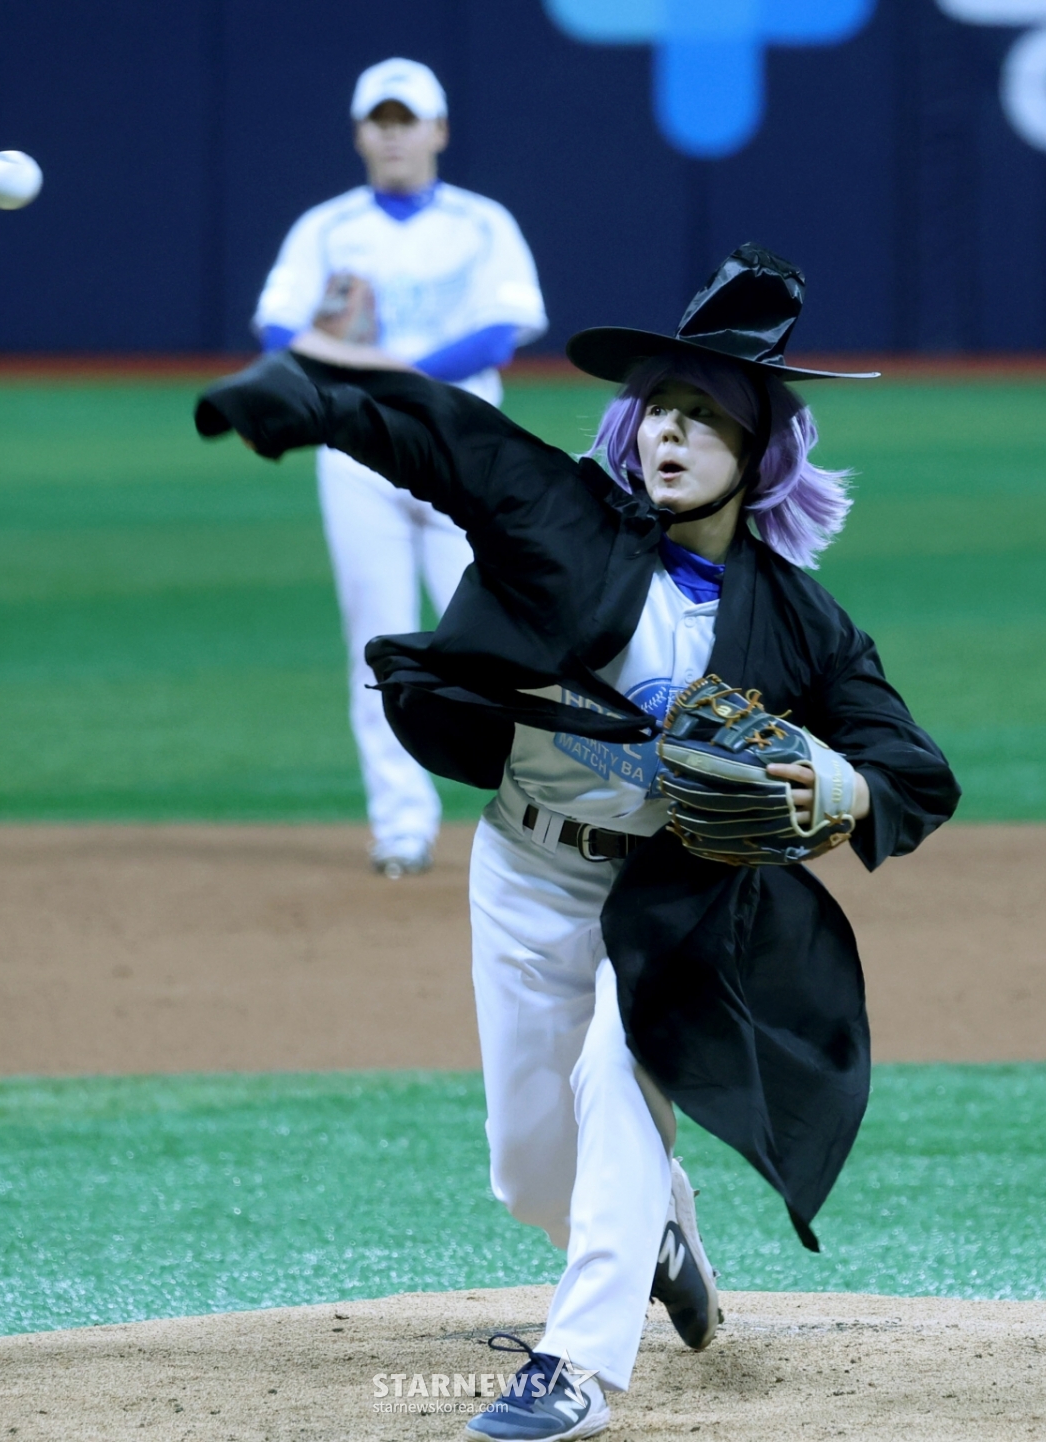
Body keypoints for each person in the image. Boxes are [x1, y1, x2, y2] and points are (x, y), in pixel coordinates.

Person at [197, 244, 960, 1439]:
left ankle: (578, 1370)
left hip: (673, 899)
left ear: (759, 452)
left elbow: (914, 769)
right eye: (660, 407)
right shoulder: (565, 518)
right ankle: (658, 1228)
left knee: (622, 1069)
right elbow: (445, 439)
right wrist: (307, 397)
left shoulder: (799, 620)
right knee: (526, 1168)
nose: (672, 431)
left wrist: (838, 782)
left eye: (708, 416)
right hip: (526, 870)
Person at [254, 57, 547, 877]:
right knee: (376, 643)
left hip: (466, 458)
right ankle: (401, 827)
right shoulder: (326, 229)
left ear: (438, 130)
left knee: (500, 644)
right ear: (359, 134)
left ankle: (531, 815)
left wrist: (384, 369)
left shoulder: (482, 224)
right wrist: (351, 367)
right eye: (379, 120)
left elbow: (502, 331)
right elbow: (277, 328)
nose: (392, 134)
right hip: (359, 459)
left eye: (406, 119)